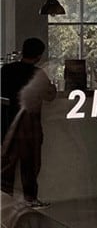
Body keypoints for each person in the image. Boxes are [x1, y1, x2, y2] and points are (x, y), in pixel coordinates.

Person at [1, 38, 57, 208]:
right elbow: (50, 96)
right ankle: (30, 199)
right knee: (30, 164)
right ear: (39, 56)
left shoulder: (6, 70)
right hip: (30, 125)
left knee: (7, 166)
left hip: (8, 122)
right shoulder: (37, 74)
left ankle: (5, 199)